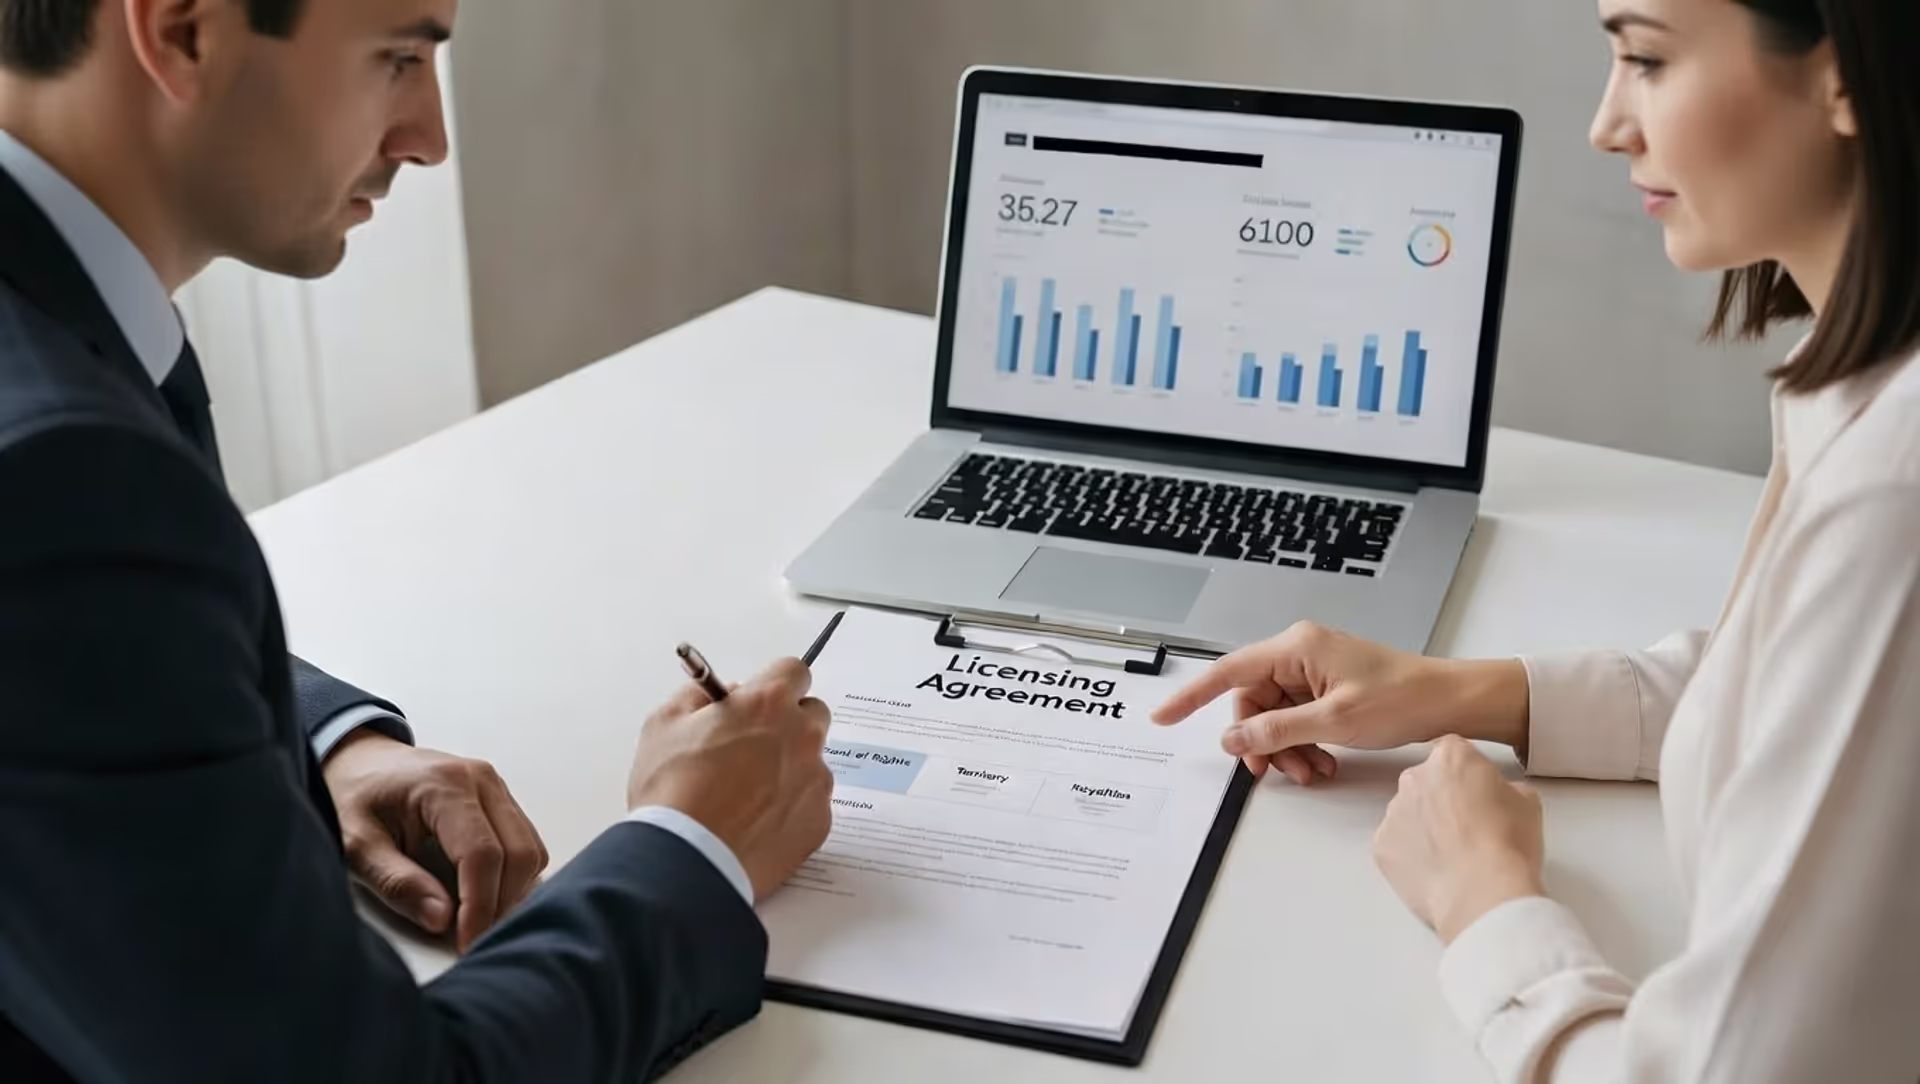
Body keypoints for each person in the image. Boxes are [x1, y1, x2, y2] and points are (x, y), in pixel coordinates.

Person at [0, 0, 834, 1079]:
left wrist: (324, 744)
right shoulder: (65, 480)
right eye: (397, 56)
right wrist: (694, 841)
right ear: (183, 30)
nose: (428, 139)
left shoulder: (60, 356)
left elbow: (84, 650)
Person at [1156, 0, 1920, 1080]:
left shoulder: (1895, 496)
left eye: (1647, 59)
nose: (1608, 123)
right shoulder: (1862, 390)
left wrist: (1485, 901)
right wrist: (1457, 691)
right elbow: (1797, 684)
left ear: (1847, 72)